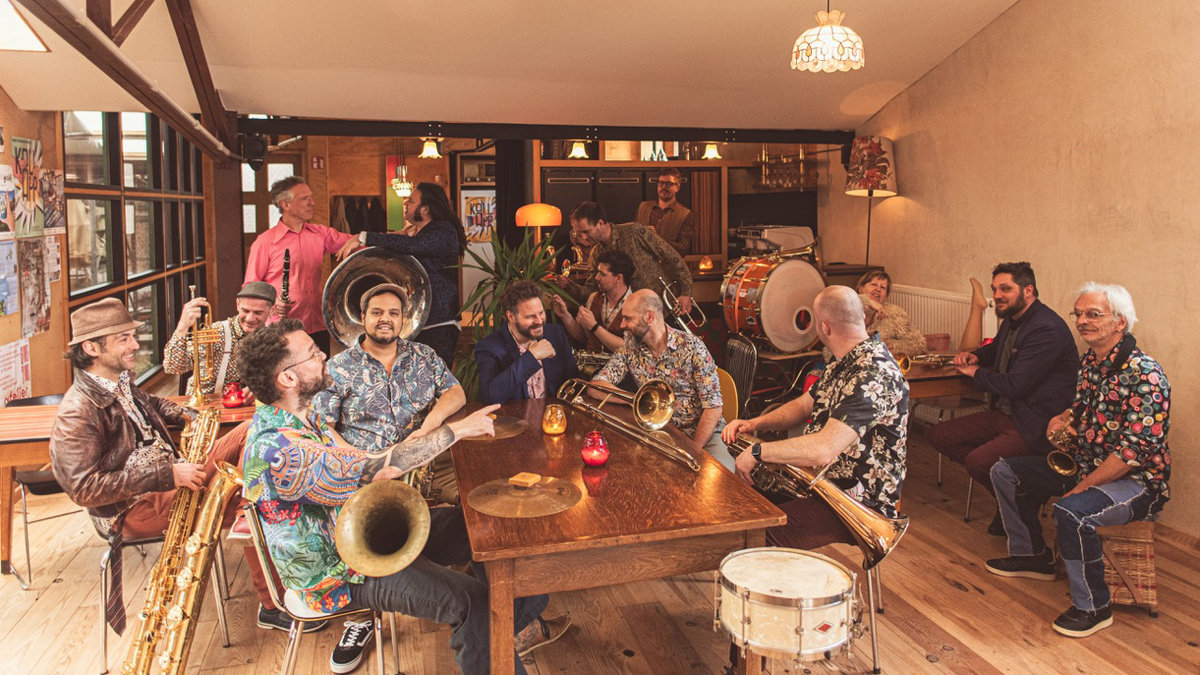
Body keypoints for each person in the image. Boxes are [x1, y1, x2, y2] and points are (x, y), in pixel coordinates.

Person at [237, 319, 569, 674]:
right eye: (312, 353)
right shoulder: (278, 450)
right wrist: (456, 430)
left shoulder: (305, 416)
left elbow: (360, 462)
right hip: (339, 573)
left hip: (360, 532)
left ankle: (496, 634)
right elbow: (375, 467)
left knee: (488, 525)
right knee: (472, 602)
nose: (323, 356)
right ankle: (491, 634)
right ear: (287, 378)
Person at [48, 298, 284, 636]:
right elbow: (83, 488)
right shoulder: (77, 410)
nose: (135, 345)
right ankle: (275, 605)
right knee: (251, 501)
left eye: (132, 336)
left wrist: (189, 415)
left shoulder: (117, 380)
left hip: (170, 480)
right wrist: (168, 474)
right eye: (124, 339)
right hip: (133, 509)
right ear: (91, 348)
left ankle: (267, 534)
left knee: (255, 427)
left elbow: (152, 402)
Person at [986, 283, 1170, 638]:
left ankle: (1094, 608)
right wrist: (1063, 418)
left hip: (1136, 482)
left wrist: (1083, 486)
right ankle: (1032, 556)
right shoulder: (1090, 362)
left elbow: (1132, 453)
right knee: (1005, 472)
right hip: (1087, 463)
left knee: (1071, 511)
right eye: (1079, 314)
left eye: (1093, 314)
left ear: (1120, 322)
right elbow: (1082, 407)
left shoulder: (1146, 374)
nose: (1082, 321)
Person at [723, 285, 909, 548]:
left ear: (824, 327)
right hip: (822, 482)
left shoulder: (873, 372)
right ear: (862, 317)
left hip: (856, 500)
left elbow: (822, 450)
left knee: (754, 534)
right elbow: (803, 405)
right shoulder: (846, 360)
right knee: (740, 500)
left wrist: (758, 452)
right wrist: (755, 423)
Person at [928, 262, 1077, 534]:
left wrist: (976, 373)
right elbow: (997, 349)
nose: (997, 295)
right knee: (940, 435)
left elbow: (1016, 385)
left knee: (978, 462)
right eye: (995, 289)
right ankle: (1017, 494)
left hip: (1034, 422)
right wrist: (975, 356)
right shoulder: (1013, 318)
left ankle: (1017, 502)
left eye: (1005, 289)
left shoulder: (1046, 329)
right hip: (1007, 413)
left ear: (1028, 290)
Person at [314, 283, 465, 505]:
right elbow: (323, 428)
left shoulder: (424, 355)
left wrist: (429, 425)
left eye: (394, 313)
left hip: (424, 467)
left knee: (471, 500)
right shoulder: (336, 367)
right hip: (368, 477)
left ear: (402, 319)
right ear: (363, 317)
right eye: (377, 312)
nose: (386, 319)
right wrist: (362, 463)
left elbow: (456, 392)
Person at [592, 289, 734, 471]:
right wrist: (633, 400)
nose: (622, 325)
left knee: (721, 478)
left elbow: (713, 408)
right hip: (661, 434)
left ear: (649, 317)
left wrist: (692, 451)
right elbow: (595, 386)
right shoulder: (630, 348)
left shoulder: (692, 347)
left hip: (705, 436)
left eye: (628, 318)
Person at [338, 182, 467, 368]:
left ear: (425, 209)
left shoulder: (443, 230)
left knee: (432, 378)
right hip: (424, 322)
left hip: (439, 325)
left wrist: (364, 237)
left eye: (412, 201)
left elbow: (414, 246)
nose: (406, 203)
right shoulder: (424, 233)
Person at [244, 176, 355, 353]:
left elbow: (357, 242)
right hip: (281, 328)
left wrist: (393, 239)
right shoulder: (265, 242)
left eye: (311, 198)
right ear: (285, 204)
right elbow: (250, 287)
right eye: (305, 199)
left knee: (319, 370)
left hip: (317, 325)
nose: (312, 203)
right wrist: (273, 303)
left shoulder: (320, 234)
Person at [557, 201, 695, 318]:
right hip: (635, 318)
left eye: (586, 232)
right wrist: (569, 286)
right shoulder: (596, 253)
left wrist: (686, 293)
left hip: (666, 310)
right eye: (579, 233)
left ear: (600, 223)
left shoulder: (635, 232)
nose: (583, 238)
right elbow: (594, 291)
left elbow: (672, 257)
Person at [162, 281, 276, 398]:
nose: (250, 318)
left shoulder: (272, 338)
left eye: (258, 313)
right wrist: (182, 327)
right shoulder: (218, 332)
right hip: (210, 402)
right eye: (245, 311)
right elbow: (173, 367)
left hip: (249, 404)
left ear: (272, 310)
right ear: (237, 305)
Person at [475, 281, 579, 404]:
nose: (539, 321)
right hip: (514, 416)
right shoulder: (489, 346)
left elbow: (574, 382)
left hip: (552, 414)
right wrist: (531, 357)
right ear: (511, 317)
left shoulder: (555, 334)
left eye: (541, 313)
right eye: (530, 316)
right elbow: (489, 397)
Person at [551, 249, 633, 354]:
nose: (596, 277)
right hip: (591, 363)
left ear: (618, 278)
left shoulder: (635, 304)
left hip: (619, 364)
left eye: (602, 274)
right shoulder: (594, 298)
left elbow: (627, 349)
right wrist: (564, 315)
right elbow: (583, 337)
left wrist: (594, 326)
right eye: (598, 272)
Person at [856, 270, 927, 358]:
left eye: (882, 287)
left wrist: (892, 346)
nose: (878, 289)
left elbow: (919, 345)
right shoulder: (849, 306)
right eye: (873, 284)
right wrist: (867, 301)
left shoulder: (895, 314)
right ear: (860, 289)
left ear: (886, 295)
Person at [635, 168, 694, 256]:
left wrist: (658, 239)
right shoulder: (642, 207)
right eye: (661, 183)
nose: (663, 187)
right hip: (641, 262)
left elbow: (683, 249)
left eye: (668, 184)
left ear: (677, 187)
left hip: (667, 264)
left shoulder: (685, 214)